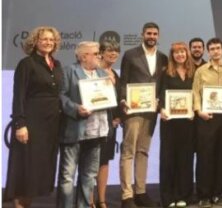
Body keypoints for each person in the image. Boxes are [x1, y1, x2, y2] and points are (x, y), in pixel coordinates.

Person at [5, 26, 64, 208]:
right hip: (32, 124)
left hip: (52, 125)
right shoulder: (27, 64)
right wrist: (20, 123)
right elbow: (19, 96)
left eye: (51, 40)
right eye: (44, 39)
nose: (48, 42)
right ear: (35, 42)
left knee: (39, 173)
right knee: (26, 170)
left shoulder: (57, 64)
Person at [119, 22, 168, 208]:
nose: (152, 36)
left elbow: (162, 85)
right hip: (133, 110)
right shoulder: (130, 54)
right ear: (142, 34)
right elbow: (123, 81)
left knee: (143, 151)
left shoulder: (163, 58)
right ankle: (127, 195)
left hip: (151, 112)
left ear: (158, 36)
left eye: (155, 34)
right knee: (128, 152)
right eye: (149, 33)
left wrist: (160, 105)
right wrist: (123, 100)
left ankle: (140, 192)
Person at [57, 41, 110, 208]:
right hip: (75, 130)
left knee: (89, 176)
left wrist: (112, 91)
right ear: (83, 56)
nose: (100, 56)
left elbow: (109, 98)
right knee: (67, 177)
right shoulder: (69, 71)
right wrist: (76, 109)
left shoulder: (102, 73)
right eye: (96, 53)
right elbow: (61, 96)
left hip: (97, 132)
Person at [192, 38, 222, 208]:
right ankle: (203, 195)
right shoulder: (200, 71)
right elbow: (195, 93)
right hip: (206, 118)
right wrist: (198, 111)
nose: (215, 51)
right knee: (205, 158)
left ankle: (217, 194)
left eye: (218, 48)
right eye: (212, 49)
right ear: (208, 52)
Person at [158, 42, 196, 208]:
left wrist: (194, 109)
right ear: (172, 55)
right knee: (168, 159)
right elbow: (160, 93)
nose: (180, 55)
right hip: (169, 122)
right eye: (176, 52)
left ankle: (183, 195)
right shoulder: (166, 72)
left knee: (185, 159)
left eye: (182, 52)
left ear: (187, 54)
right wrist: (161, 109)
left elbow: (197, 95)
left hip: (188, 123)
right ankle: (168, 197)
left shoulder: (193, 73)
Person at [93, 41, 122, 208]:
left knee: (104, 162)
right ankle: (89, 200)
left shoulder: (115, 74)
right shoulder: (93, 72)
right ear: (101, 53)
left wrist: (118, 117)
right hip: (93, 124)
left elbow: (117, 99)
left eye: (116, 51)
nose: (113, 54)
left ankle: (102, 200)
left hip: (110, 125)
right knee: (91, 163)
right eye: (110, 50)